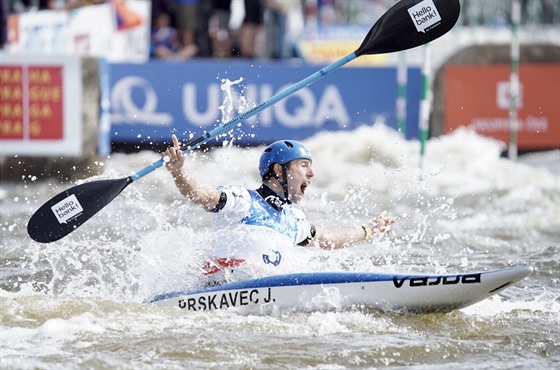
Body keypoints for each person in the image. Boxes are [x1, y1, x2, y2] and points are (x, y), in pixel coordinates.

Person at [162, 135, 394, 286]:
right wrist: (178, 173)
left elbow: (326, 238)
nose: (311, 174)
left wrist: (367, 230)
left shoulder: (294, 220)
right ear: (278, 171)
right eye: (304, 165)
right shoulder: (242, 200)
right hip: (218, 289)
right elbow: (200, 194)